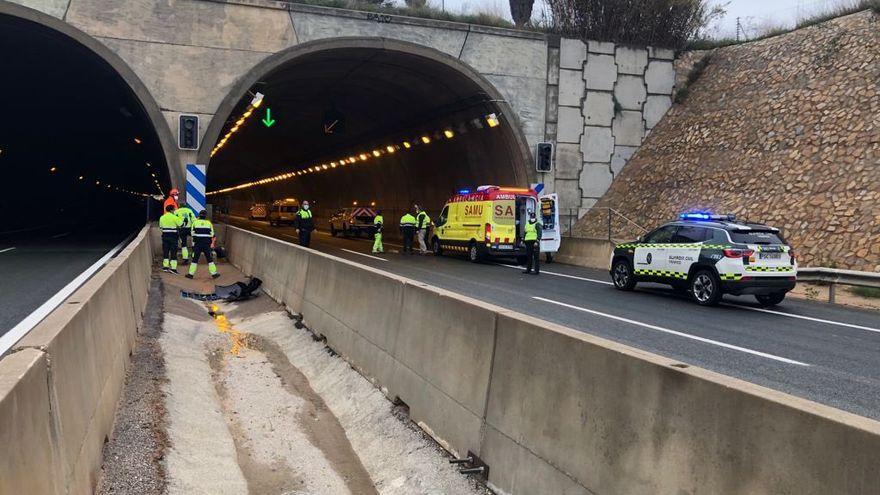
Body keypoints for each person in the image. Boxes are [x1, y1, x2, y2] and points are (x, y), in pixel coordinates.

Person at [187, 210, 220, 279]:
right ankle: (214, 274)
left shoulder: (195, 223)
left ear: (199, 215)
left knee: (195, 259)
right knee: (209, 259)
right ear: (205, 216)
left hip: (197, 244)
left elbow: (192, 233)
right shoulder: (209, 223)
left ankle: (190, 274)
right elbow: (212, 234)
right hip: (206, 244)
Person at [159, 204, 183, 273]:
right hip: (173, 236)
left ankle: (165, 267)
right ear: (172, 210)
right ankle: (173, 268)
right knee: (173, 252)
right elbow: (181, 225)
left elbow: (161, 227)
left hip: (165, 236)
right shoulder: (175, 217)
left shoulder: (162, 217)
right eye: (174, 209)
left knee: (165, 251)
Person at [522, 211, 542, 275]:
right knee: (529, 256)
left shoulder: (537, 224)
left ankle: (536, 271)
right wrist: (523, 239)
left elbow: (539, 233)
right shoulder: (527, 223)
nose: (532, 218)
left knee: (536, 257)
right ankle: (528, 269)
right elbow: (525, 232)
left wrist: (537, 241)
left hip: (534, 242)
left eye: (533, 217)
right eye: (531, 217)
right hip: (528, 242)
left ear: (535, 217)